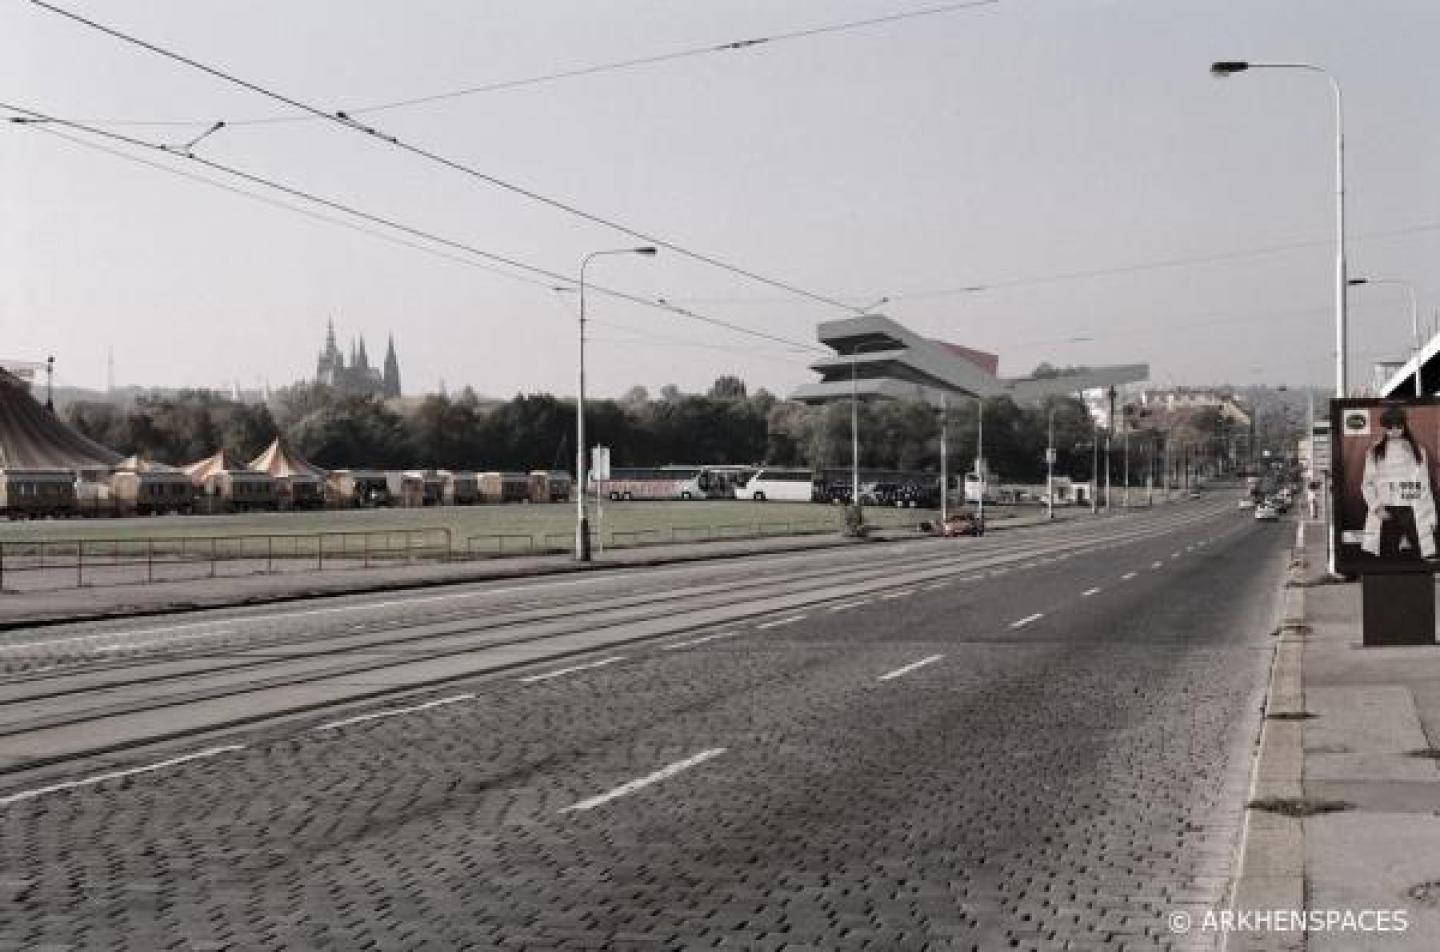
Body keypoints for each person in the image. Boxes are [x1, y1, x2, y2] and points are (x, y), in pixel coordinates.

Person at [1360, 405, 1438, 560]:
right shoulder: (1374, 451)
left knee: (1421, 556)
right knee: (1385, 557)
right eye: (1390, 427)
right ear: (1385, 428)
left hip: (1411, 510)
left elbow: (1423, 486)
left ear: (1404, 426)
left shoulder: (1417, 451)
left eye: (1398, 426)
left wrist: (1431, 517)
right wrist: (1377, 508)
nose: (1394, 430)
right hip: (1386, 510)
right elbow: (1367, 484)